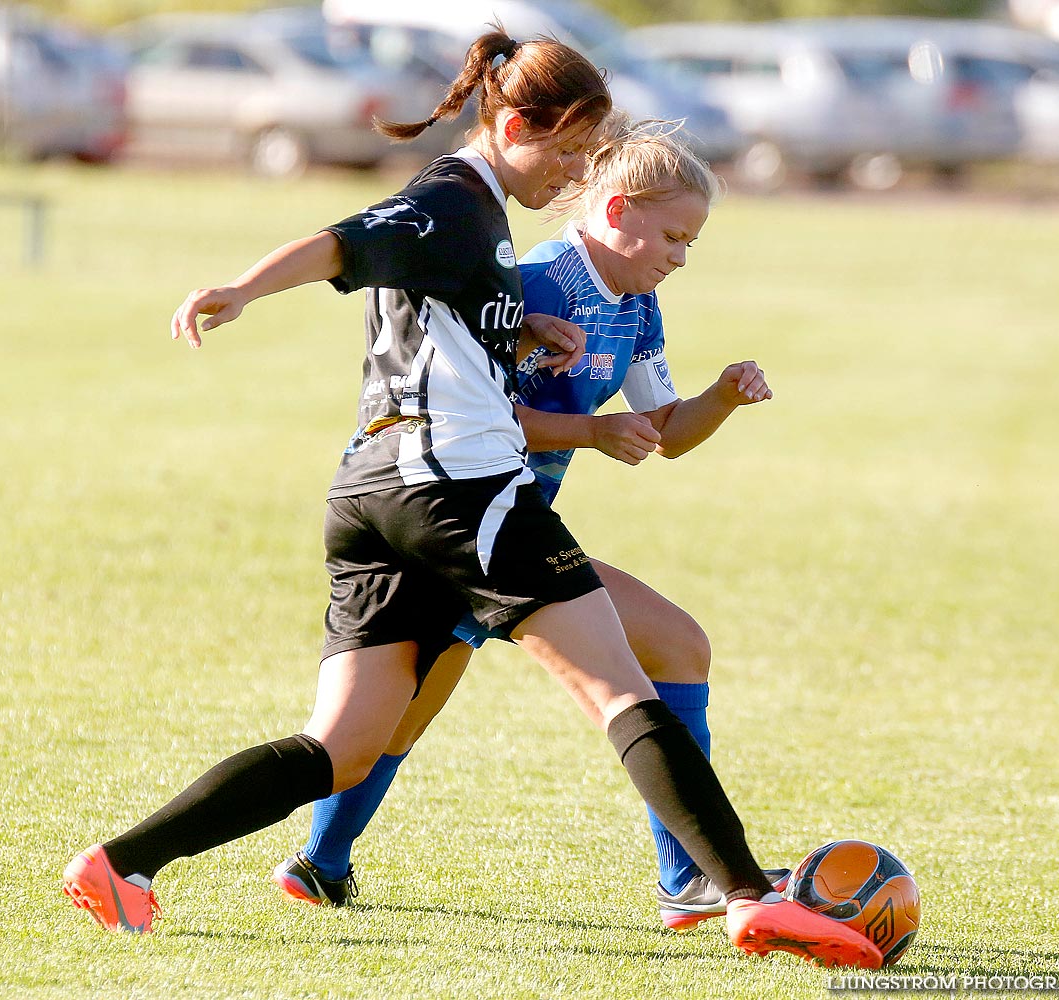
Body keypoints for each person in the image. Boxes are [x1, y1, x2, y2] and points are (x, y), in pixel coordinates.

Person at [61, 29, 881, 970]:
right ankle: (740, 896)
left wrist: (517, 321)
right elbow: (345, 243)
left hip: (373, 492)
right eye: (569, 152)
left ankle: (121, 863)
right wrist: (242, 289)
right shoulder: (452, 200)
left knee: (345, 745)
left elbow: (444, 314)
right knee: (617, 681)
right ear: (515, 123)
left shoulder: (484, 226)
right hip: (459, 487)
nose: (573, 172)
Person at [270, 117, 791, 931]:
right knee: (398, 716)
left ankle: (685, 879)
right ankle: (317, 864)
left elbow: (662, 435)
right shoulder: (533, 280)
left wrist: (720, 396)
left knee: (668, 648)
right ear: (616, 211)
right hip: (453, 510)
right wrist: (588, 430)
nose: (680, 256)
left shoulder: (636, 302)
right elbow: (464, 411)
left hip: (517, 525)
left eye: (690, 242)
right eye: (674, 235)